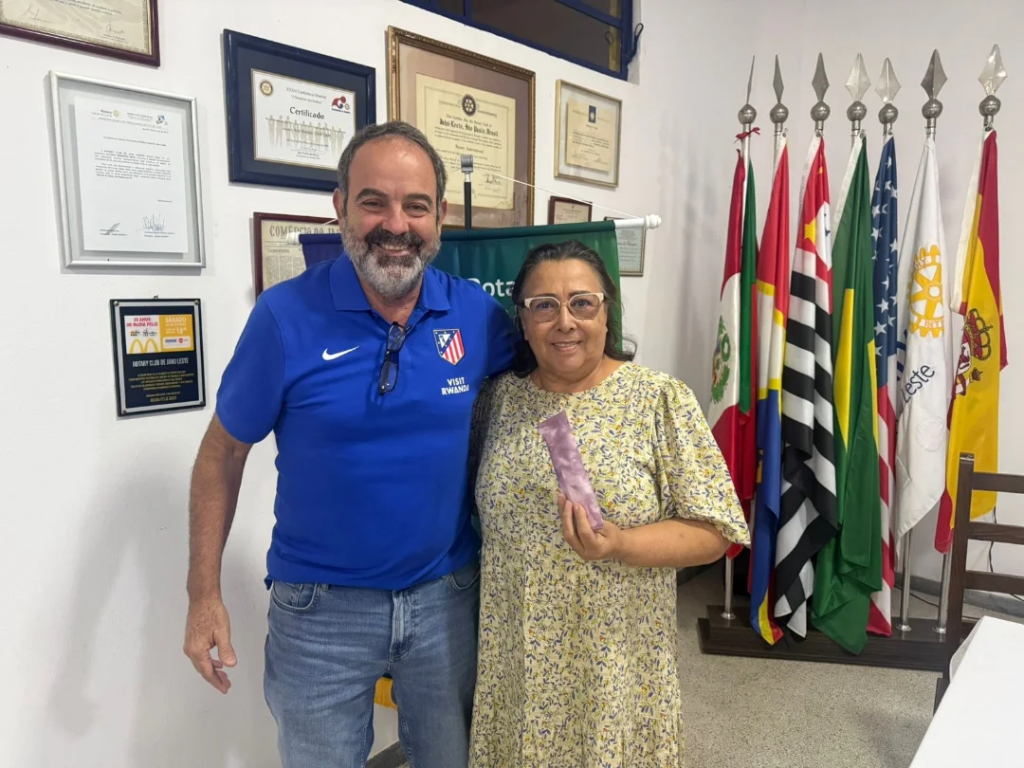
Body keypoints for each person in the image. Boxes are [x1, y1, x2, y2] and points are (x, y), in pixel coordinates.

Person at [183, 121, 516, 768]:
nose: (396, 224)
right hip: (320, 612)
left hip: (446, 600)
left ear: (440, 216)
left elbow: (552, 383)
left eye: (415, 205)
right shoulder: (284, 317)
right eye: (373, 202)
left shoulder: (476, 315)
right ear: (340, 207)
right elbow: (222, 453)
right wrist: (203, 595)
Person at [468, 240, 750, 767]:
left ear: (606, 313)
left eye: (582, 303)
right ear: (523, 321)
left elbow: (715, 533)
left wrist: (621, 544)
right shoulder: (497, 399)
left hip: (616, 663)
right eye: (544, 306)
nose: (565, 322)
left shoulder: (658, 399)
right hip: (518, 664)